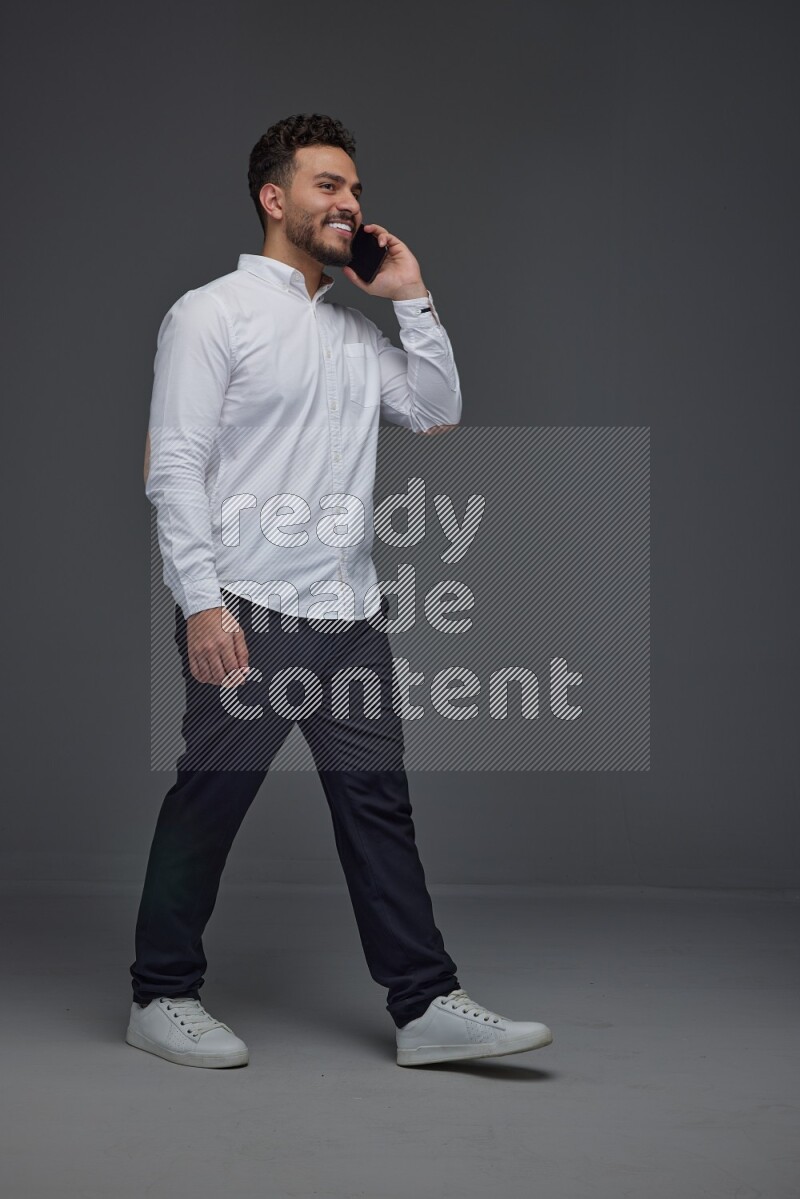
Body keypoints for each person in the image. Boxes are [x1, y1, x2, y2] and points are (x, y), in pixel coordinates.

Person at [127, 112, 553, 1069]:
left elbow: (438, 413)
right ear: (275, 199)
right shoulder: (212, 313)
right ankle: (160, 993)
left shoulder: (357, 335)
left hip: (349, 615)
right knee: (212, 799)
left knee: (377, 803)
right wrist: (200, 601)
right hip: (247, 606)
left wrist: (411, 297)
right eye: (328, 185)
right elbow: (175, 465)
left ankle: (425, 1003)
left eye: (355, 188)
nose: (351, 202)